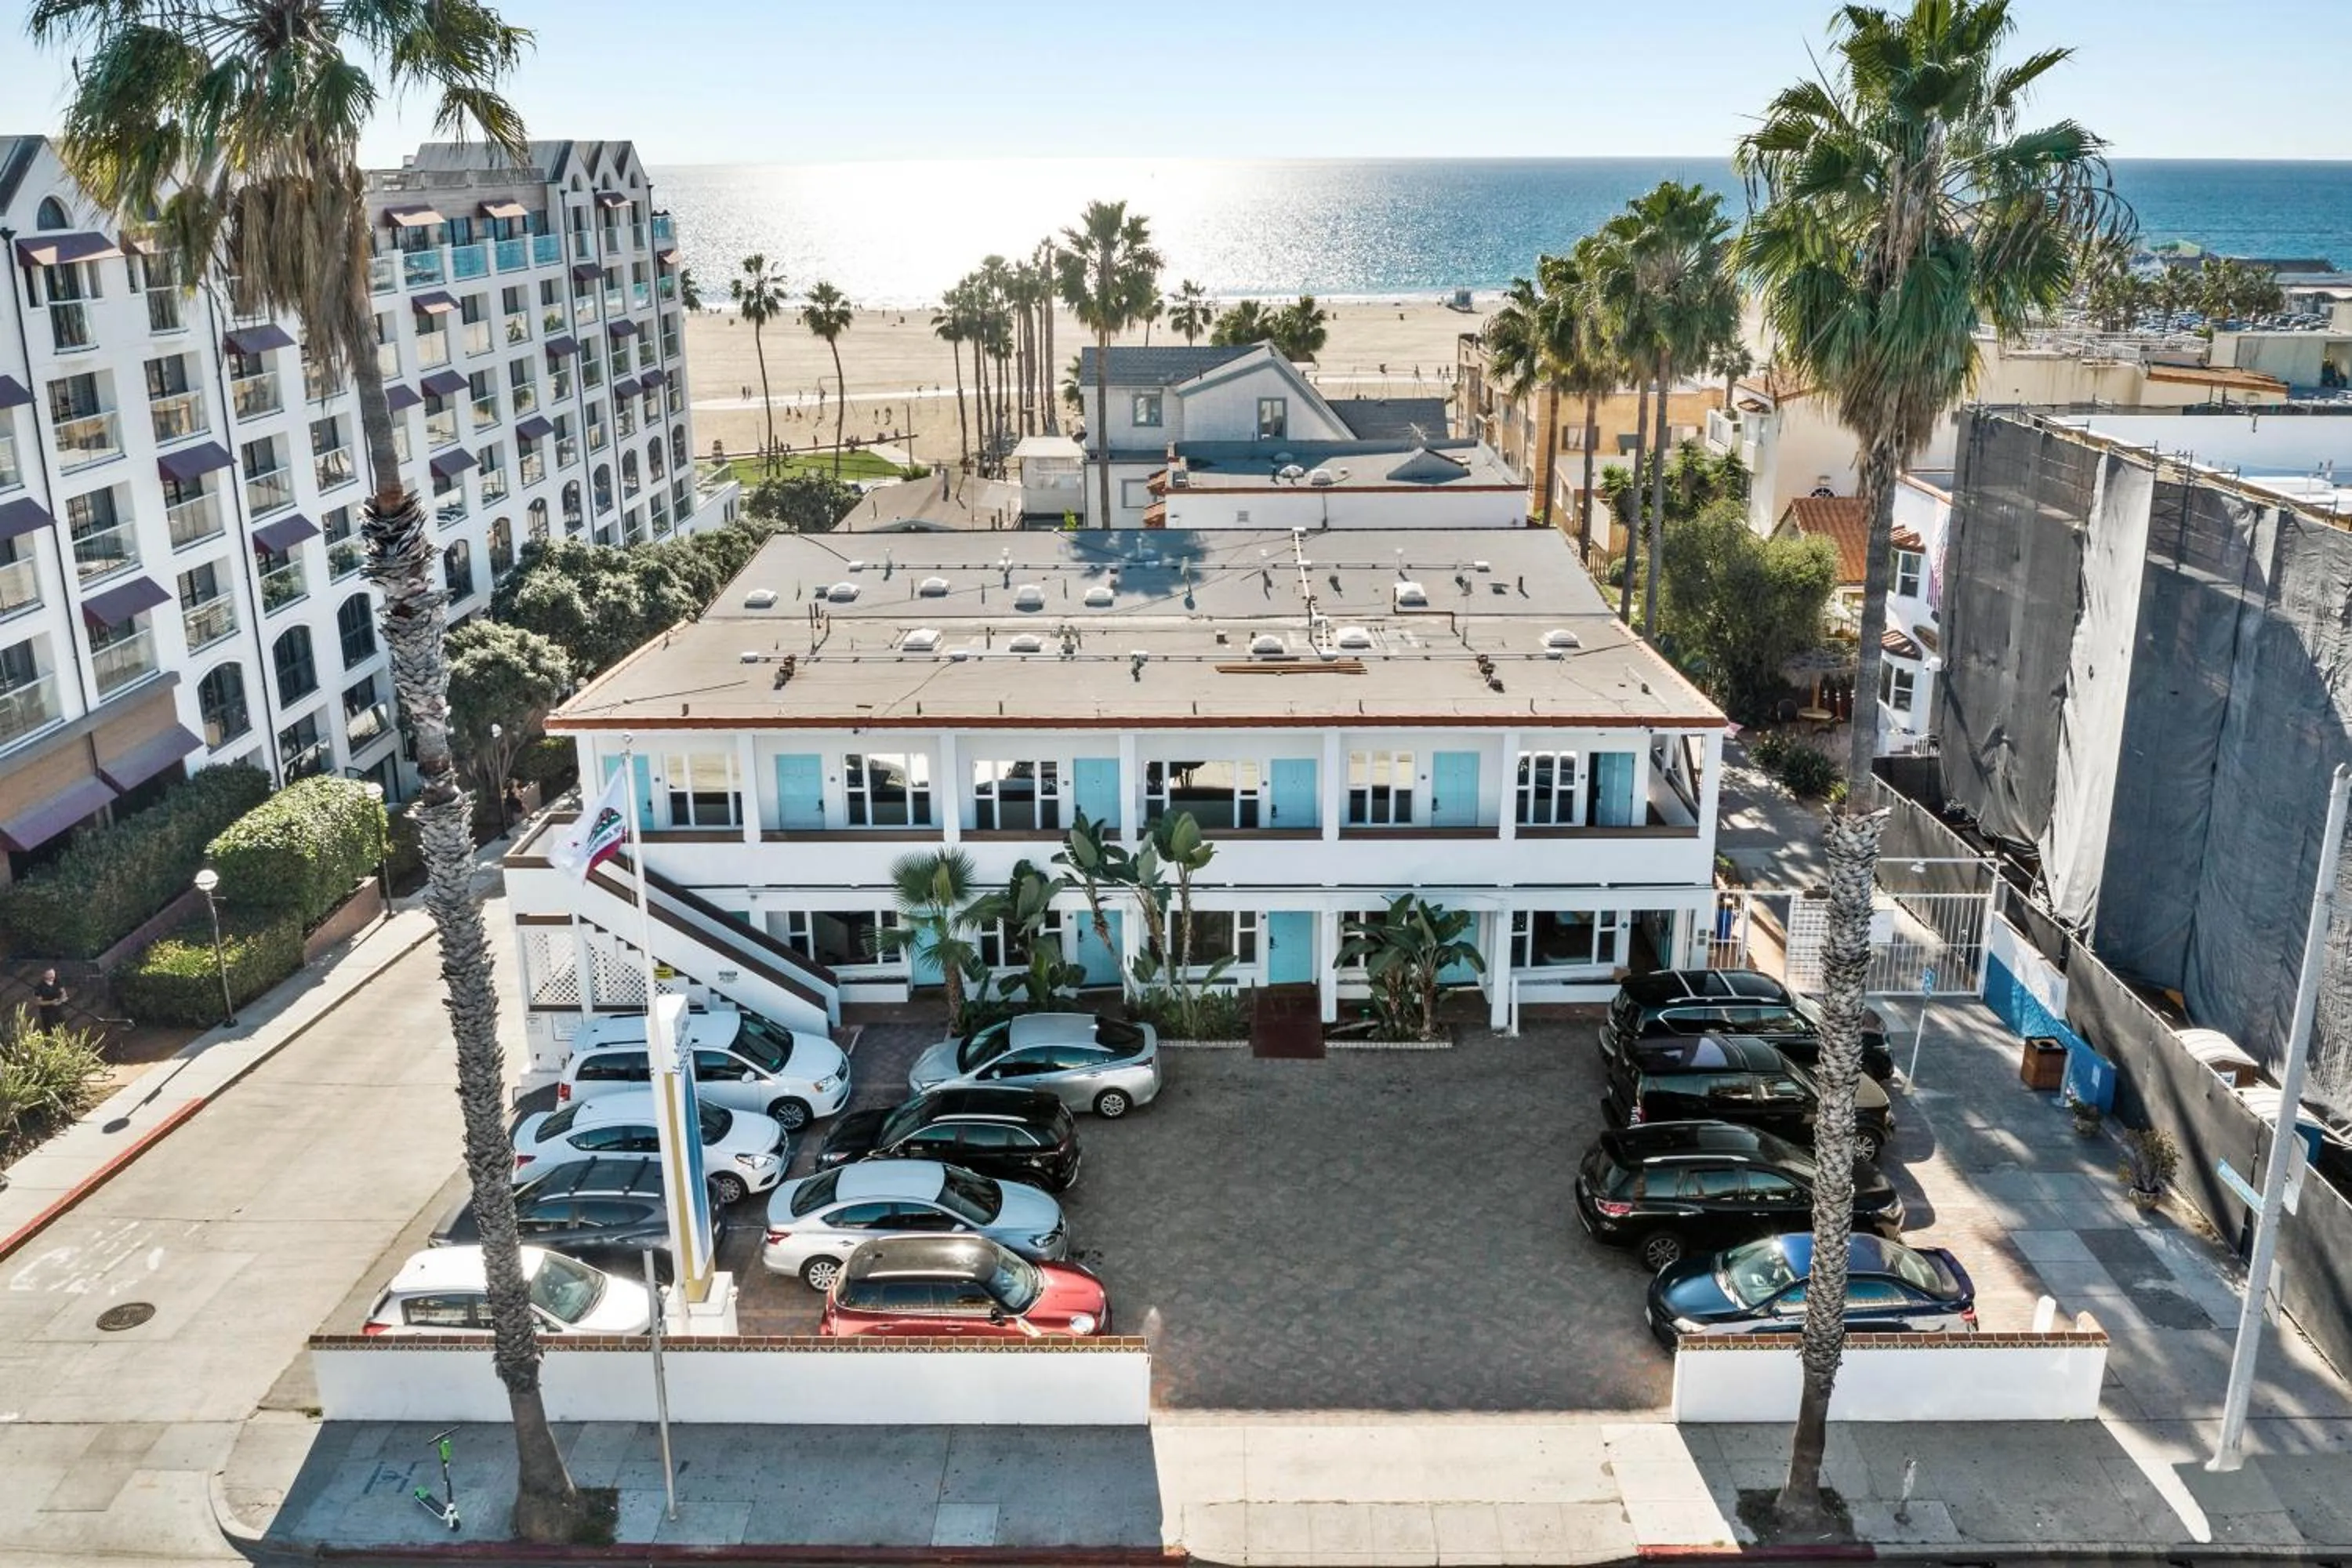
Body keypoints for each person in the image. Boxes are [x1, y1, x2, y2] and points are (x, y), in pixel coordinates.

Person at [33, 967, 67, 1034]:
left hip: (58, 1010)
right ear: (45, 975)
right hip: (47, 1012)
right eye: (50, 974)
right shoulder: (40, 987)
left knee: (63, 1028)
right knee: (50, 1030)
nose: (52, 976)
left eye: (53, 974)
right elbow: (38, 1002)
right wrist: (51, 1002)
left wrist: (61, 1000)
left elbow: (64, 993)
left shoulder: (58, 982)